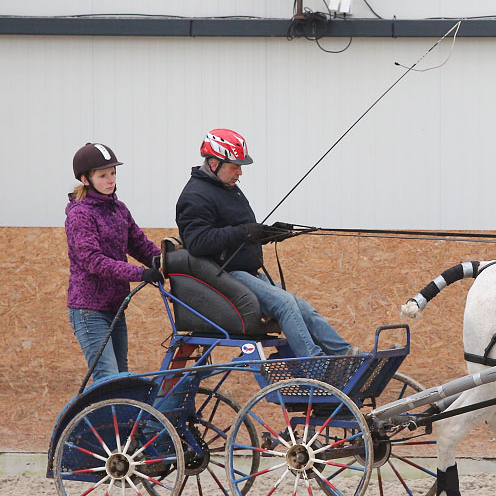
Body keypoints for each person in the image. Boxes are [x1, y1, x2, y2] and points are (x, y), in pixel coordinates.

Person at [175, 128, 358, 358]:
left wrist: (268, 233)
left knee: (304, 309)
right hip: (224, 277)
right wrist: (242, 232)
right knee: (285, 304)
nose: (240, 172)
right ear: (214, 164)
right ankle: (315, 363)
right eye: (235, 166)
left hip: (244, 273)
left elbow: (236, 230)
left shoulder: (225, 187)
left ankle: (350, 355)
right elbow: (198, 242)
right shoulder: (195, 195)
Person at [66, 143, 164, 381]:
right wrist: (140, 274)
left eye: (113, 173)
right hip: (89, 311)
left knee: (122, 379)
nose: (110, 180)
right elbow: (94, 261)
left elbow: (139, 244)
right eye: (103, 175)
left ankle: (120, 419)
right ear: (85, 179)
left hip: (116, 308)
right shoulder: (80, 214)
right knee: (109, 379)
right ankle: (105, 418)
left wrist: (167, 261)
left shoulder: (119, 209)